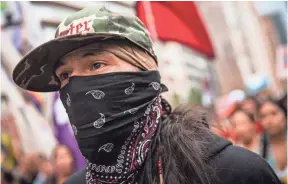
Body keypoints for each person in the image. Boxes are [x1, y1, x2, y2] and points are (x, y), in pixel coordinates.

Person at [12, 7, 281, 184]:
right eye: (65, 76)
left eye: (96, 65)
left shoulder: (232, 173)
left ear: (146, 71)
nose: (76, 86)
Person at [259, 100, 287, 183]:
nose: (269, 120)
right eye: (263, 116)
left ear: (285, 116)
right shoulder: (260, 151)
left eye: (274, 113)